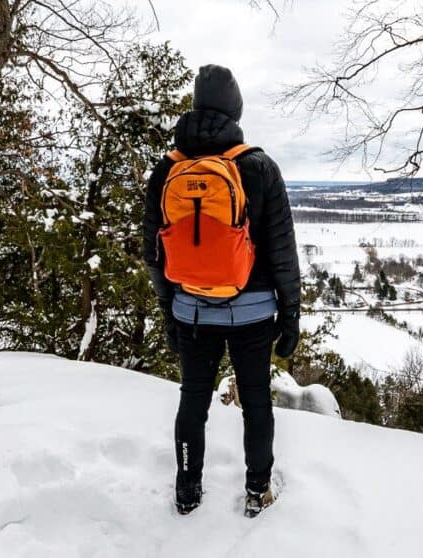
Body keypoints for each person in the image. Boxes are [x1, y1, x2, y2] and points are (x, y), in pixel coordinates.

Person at [142, 64, 301, 516]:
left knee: (193, 401)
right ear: (236, 110)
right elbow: (282, 253)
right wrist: (290, 318)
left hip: (191, 310)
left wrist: (168, 308)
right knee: (255, 403)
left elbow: (153, 252)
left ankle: (187, 492)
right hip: (252, 313)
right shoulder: (259, 166)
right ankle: (257, 490)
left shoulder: (167, 169)